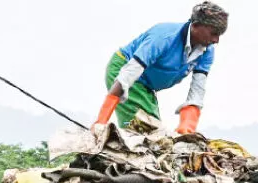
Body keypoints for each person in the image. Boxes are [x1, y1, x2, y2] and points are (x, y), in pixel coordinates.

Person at [93, 1, 228, 132]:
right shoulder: (164, 37)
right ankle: (100, 127)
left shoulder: (207, 51)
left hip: (146, 86)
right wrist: (102, 119)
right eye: (214, 33)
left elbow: (197, 89)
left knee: (154, 129)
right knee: (145, 130)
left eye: (220, 35)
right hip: (125, 69)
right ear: (196, 25)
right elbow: (130, 71)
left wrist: (188, 124)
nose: (216, 40)